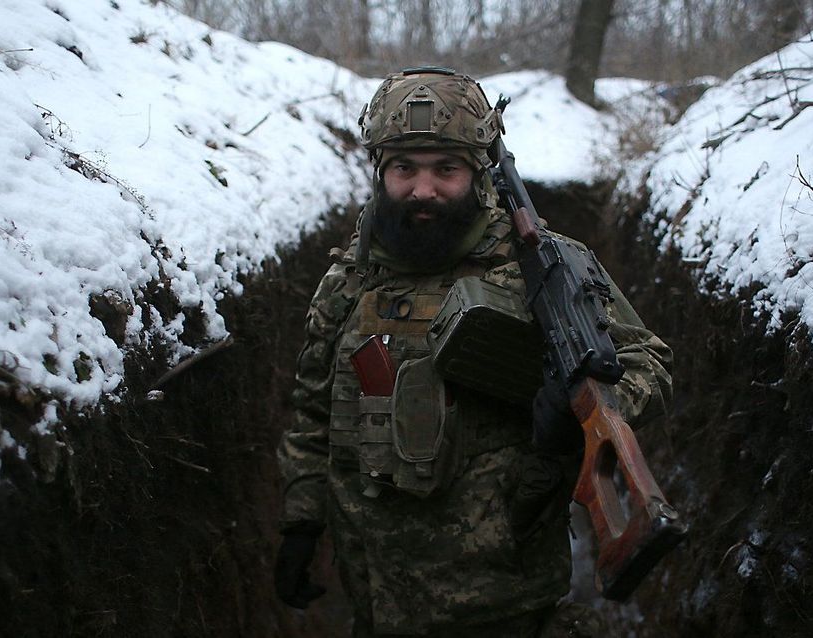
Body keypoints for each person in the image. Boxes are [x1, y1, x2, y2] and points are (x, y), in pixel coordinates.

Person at [275, 67, 672, 637]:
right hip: (373, 596)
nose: (423, 189)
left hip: (502, 602)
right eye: (404, 168)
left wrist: (578, 406)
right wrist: (301, 523)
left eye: (447, 169)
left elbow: (648, 365)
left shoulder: (544, 270)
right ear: (380, 171)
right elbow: (314, 414)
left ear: (478, 172)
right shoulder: (348, 281)